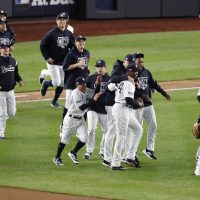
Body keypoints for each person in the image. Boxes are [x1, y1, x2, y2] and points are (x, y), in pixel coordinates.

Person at [53, 76, 101, 166]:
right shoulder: (75, 93)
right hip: (70, 119)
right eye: (81, 84)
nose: (83, 86)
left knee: (84, 139)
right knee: (64, 140)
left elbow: (95, 93)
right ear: (77, 85)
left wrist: (98, 83)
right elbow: (82, 107)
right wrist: (94, 100)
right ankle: (57, 157)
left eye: (84, 84)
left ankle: (73, 152)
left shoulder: (86, 90)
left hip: (80, 119)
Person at [133, 52, 171, 160]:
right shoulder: (131, 74)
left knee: (153, 125)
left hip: (148, 105)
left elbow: (154, 84)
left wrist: (164, 93)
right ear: (134, 62)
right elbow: (130, 91)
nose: (140, 63)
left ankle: (149, 149)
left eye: (141, 61)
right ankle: (132, 152)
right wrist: (142, 96)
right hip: (137, 106)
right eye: (138, 61)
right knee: (136, 130)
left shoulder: (146, 72)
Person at [102, 54, 136, 167]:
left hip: (118, 103)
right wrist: (126, 77)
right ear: (125, 62)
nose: (129, 66)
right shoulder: (118, 68)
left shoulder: (125, 70)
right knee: (112, 131)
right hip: (112, 103)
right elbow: (111, 82)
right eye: (128, 64)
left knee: (120, 131)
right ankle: (107, 158)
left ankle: (122, 156)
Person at [110, 64, 143, 170]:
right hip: (121, 109)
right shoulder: (128, 83)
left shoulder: (125, 81)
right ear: (129, 72)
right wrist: (137, 105)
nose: (136, 73)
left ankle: (130, 156)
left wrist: (135, 104)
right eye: (135, 72)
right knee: (121, 136)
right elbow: (128, 100)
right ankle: (115, 164)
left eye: (137, 72)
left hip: (124, 109)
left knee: (138, 129)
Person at [40, 12, 75, 108]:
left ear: (66, 21)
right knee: (56, 82)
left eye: (63, 20)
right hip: (53, 63)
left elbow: (72, 46)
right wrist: (47, 58)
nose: (62, 21)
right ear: (57, 21)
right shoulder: (51, 34)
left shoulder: (69, 33)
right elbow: (42, 45)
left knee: (63, 83)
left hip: (63, 62)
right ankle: (46, 83)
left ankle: (54, 101)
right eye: (60, 20)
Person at [83, 60, 110, 160]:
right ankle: (89, 150)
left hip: (104, 108)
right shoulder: (90, 78)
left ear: (105, 68)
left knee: (107, 131)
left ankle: (102, 151)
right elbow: (87, 94)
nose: (99, 68)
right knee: (91, 129)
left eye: (101, 66)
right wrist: (95, 85)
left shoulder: (110, 78)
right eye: (98, 66)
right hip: (92, 107)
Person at [61, 35, 90, 125]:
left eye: (83, 41)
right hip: (71, 83)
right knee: (68, 104)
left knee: (84, 103)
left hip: (83, 83)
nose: (81, 43)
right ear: (75, 43)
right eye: (79, 41)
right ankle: (63, 125)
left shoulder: (87, 52)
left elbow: (85, 64)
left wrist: (87, 69)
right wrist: (77, 64)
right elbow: (65, 67)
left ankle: (82, 126)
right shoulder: (71, 53)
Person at [0, 41, 23, 140]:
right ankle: (1, 133)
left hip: (11, 91)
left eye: (7, 48)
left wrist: (20, 80)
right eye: (4, 48)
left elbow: (16, 73)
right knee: (3, 113)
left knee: (12, 113)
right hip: (1, 93)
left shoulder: (13, 60)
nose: (6, 49)